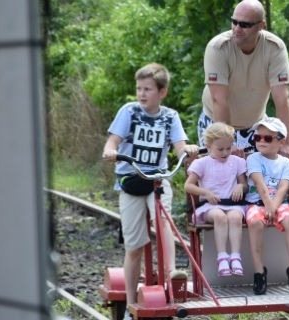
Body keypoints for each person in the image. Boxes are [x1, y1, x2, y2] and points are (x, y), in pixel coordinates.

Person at [101, 63, 199, 318]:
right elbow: (114, 139)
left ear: (162, 92)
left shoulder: (170, 116)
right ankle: (131, 305)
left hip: (157, 179)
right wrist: (111, 150)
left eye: (148, 89)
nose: (142, 94)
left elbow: (180, 146)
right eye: (139, 89)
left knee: (163, 219)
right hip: (131, 180)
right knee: (134, 246)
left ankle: (170, 272)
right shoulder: (129, 111)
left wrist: (187, 151)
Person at [198, 0, 289, 156]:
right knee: (219, 175)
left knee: (260, 176)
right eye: (234, 22)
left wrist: (287, 142)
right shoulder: (218, 48)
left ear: (261, 25)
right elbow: (219, 100)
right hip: (216, 121)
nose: (237, 28)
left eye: (244, 25)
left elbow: (282, 98)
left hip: (255, 125)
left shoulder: (274, 48)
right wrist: (228, 142)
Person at [244, 116, 289, 294]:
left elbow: (284, 187)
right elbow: (260, 185)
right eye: (257, 137)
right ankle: (259, 271)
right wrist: (268, 205)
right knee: (255, 222)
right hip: (257, 203)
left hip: (279, 203)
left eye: (267, 138)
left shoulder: (285, 162)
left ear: (281, 142)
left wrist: (274, 206)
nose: (261, 141)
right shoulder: (253, 159)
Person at [184, 122, 248, 277]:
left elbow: (244, 184)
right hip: (210, 206)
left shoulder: (237, 162)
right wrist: (205, 192)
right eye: (220, 149)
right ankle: (222, 257)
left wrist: (240, 187)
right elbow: (188, 186)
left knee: (234, 217)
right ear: (208, 146)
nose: (225, 152)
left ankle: (235, 256)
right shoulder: (201, 163)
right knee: (219, 216)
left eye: (228, 148)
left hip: (232, 205)